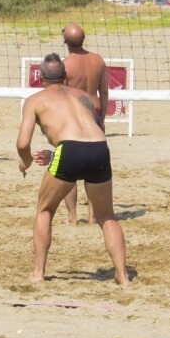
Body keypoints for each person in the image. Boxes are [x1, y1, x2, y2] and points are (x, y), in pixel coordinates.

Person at [15, 54, 129, 286]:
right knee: (107, 215)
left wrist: (25, 161)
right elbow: (86, 132)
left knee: (44, 210)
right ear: (65, 75)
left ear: (40, 77)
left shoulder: (35, 99)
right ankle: (123, 276)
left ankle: (38, 273)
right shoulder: (84, 97)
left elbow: (22, 143)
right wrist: (57, 152)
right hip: (99, 148)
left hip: (68, 150)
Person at [58, 23, 111, 223]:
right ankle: (92, 216)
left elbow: (61, 96)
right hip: (95, 113)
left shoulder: (65, 64)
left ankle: (72, 217)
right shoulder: (98, 60)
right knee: (94, 168)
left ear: (65, 41)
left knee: (68, 167)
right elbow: (104, 92)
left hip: (74, 116)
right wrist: (103, 119)